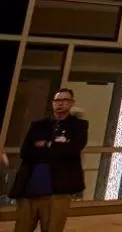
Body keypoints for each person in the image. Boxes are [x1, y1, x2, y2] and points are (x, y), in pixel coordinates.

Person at [7, 87, 89, 231]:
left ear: (71, 103)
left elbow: (73, 149)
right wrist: (57, 147)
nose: (60, 103)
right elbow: (26, 151)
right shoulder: (39, 125)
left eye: (65, 100)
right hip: (29, 189)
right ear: (52, 103)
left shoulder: (78, 125)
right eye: (57, 100)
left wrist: (46, 144)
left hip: (57, 190)